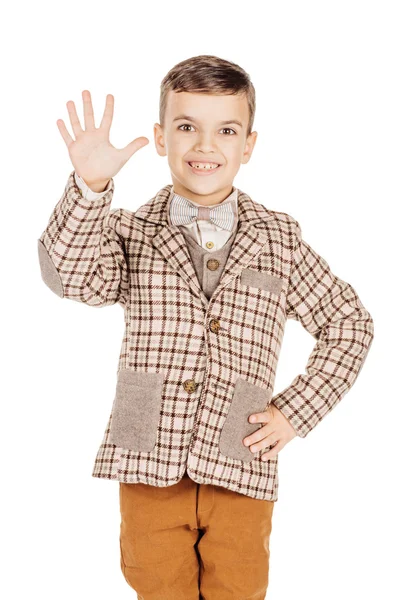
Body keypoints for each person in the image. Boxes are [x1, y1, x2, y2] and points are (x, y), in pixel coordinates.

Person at [37, 54, 374, 599]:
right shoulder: (128, 231)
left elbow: (350, 323)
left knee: (239, 588)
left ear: (249, 144)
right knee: (156, 584)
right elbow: (71, 278)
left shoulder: (279, 240)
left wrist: (294, 412)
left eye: (226, 130)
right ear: (161, 137)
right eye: (187, 126)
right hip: (149, 454)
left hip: (240, 454)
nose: (205, 145)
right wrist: (89, 186)